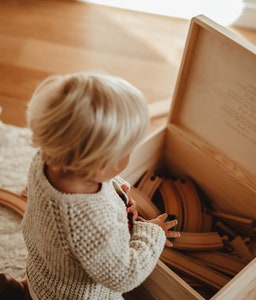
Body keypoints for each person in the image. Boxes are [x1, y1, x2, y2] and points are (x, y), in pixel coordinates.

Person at [20, 72, 180, 299]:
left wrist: (118, 195)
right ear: (100, 166)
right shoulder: (87, 221)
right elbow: (124, 275)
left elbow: (97, 179)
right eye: (128, 151)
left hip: (44, 275)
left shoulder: (49, 158)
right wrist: (153, 232)